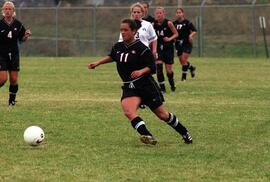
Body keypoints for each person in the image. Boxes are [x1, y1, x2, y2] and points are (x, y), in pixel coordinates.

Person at [88, 19, 192, 145]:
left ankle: (184, 132)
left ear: (133, 31)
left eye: (125, 30)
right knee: (128, 111)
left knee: (163, 115)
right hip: (130, 87)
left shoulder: (142, 48)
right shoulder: (118, 46)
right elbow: (113, 56)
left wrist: (141, 71)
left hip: (145, 86)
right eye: (121, 30)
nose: (123, 32)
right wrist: (98, 63)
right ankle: (147, 136)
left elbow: (152, 67)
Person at [0, 1, 31, 106]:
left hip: (14, 54)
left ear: (13, 11)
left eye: (10, 9)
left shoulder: (18, 24)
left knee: (13, 79)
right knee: (3, 79)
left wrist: (26, 36)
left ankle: (12, 101)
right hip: (1, 55)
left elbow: (22, 39)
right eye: (6, 9)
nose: (7, 11)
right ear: (3, 11)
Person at [154, 7, 178, 93]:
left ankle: (172, 85)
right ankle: (162, 88)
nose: (158, 15)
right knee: (159, 69)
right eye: (157, 13)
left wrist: (169, 39)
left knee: (169, 71)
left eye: (160, 13)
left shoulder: (169, 23)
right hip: (158, 48)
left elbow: (176, 34)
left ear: (164, 14)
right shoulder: (153, 24)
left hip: (168, 47)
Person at [173, 8, 197, 81]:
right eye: (177, 12)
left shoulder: (187, 22)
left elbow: (194, 30)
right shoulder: (174, 23)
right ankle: (191, 68)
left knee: (183, 59)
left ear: (183, 13)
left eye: (180, 12)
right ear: (175, 14)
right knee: (182, 62)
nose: (178, 14)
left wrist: (191, 36)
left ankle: (183, 78)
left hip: (186, 43)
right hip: (178, 43)